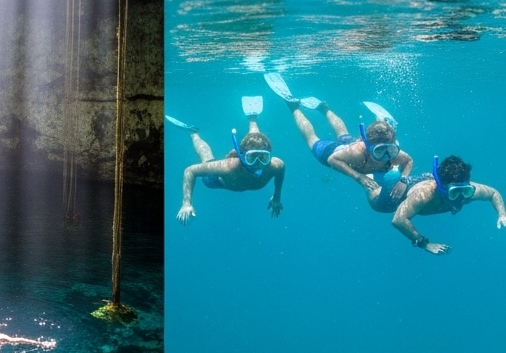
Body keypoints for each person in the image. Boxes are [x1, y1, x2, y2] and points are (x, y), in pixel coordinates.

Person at [264, 73, 413, 202]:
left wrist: (403, 179)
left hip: (351, 146)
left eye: (391, 150)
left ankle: (324, 108)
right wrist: (358, 177)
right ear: (368, 146)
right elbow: (332, 160)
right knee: (312, 139)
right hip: (333, 152)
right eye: (379, 151)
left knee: (344, 135)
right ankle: (293, 107)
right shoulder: (357, 153)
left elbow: (408, 161)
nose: (386, 156)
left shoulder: (392, 153)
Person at [168, 101, 285, 224]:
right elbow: (190, 170)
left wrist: (276, 197)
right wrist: (186, 203)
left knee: (256, 142)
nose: (257, 164)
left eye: (263, 158)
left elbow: (278, 169)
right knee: (206, 157)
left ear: (269, 156)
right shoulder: (227, 167)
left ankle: (252, 118)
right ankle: (194, 133)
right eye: (251, 158)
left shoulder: (276, 166)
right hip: (218, 180)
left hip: (238, 166)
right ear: (242, 156)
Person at [390, 155, 506, 254]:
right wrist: (424, 244)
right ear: (442, 189)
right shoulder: (424, 195)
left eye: (465, 191)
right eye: (454, 192)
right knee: (380, 200)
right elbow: (398, 219)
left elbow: (493, 193)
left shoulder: (468, 189)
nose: (461, 197)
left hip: (432, 184)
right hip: (398, 196)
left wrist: (502, 214)